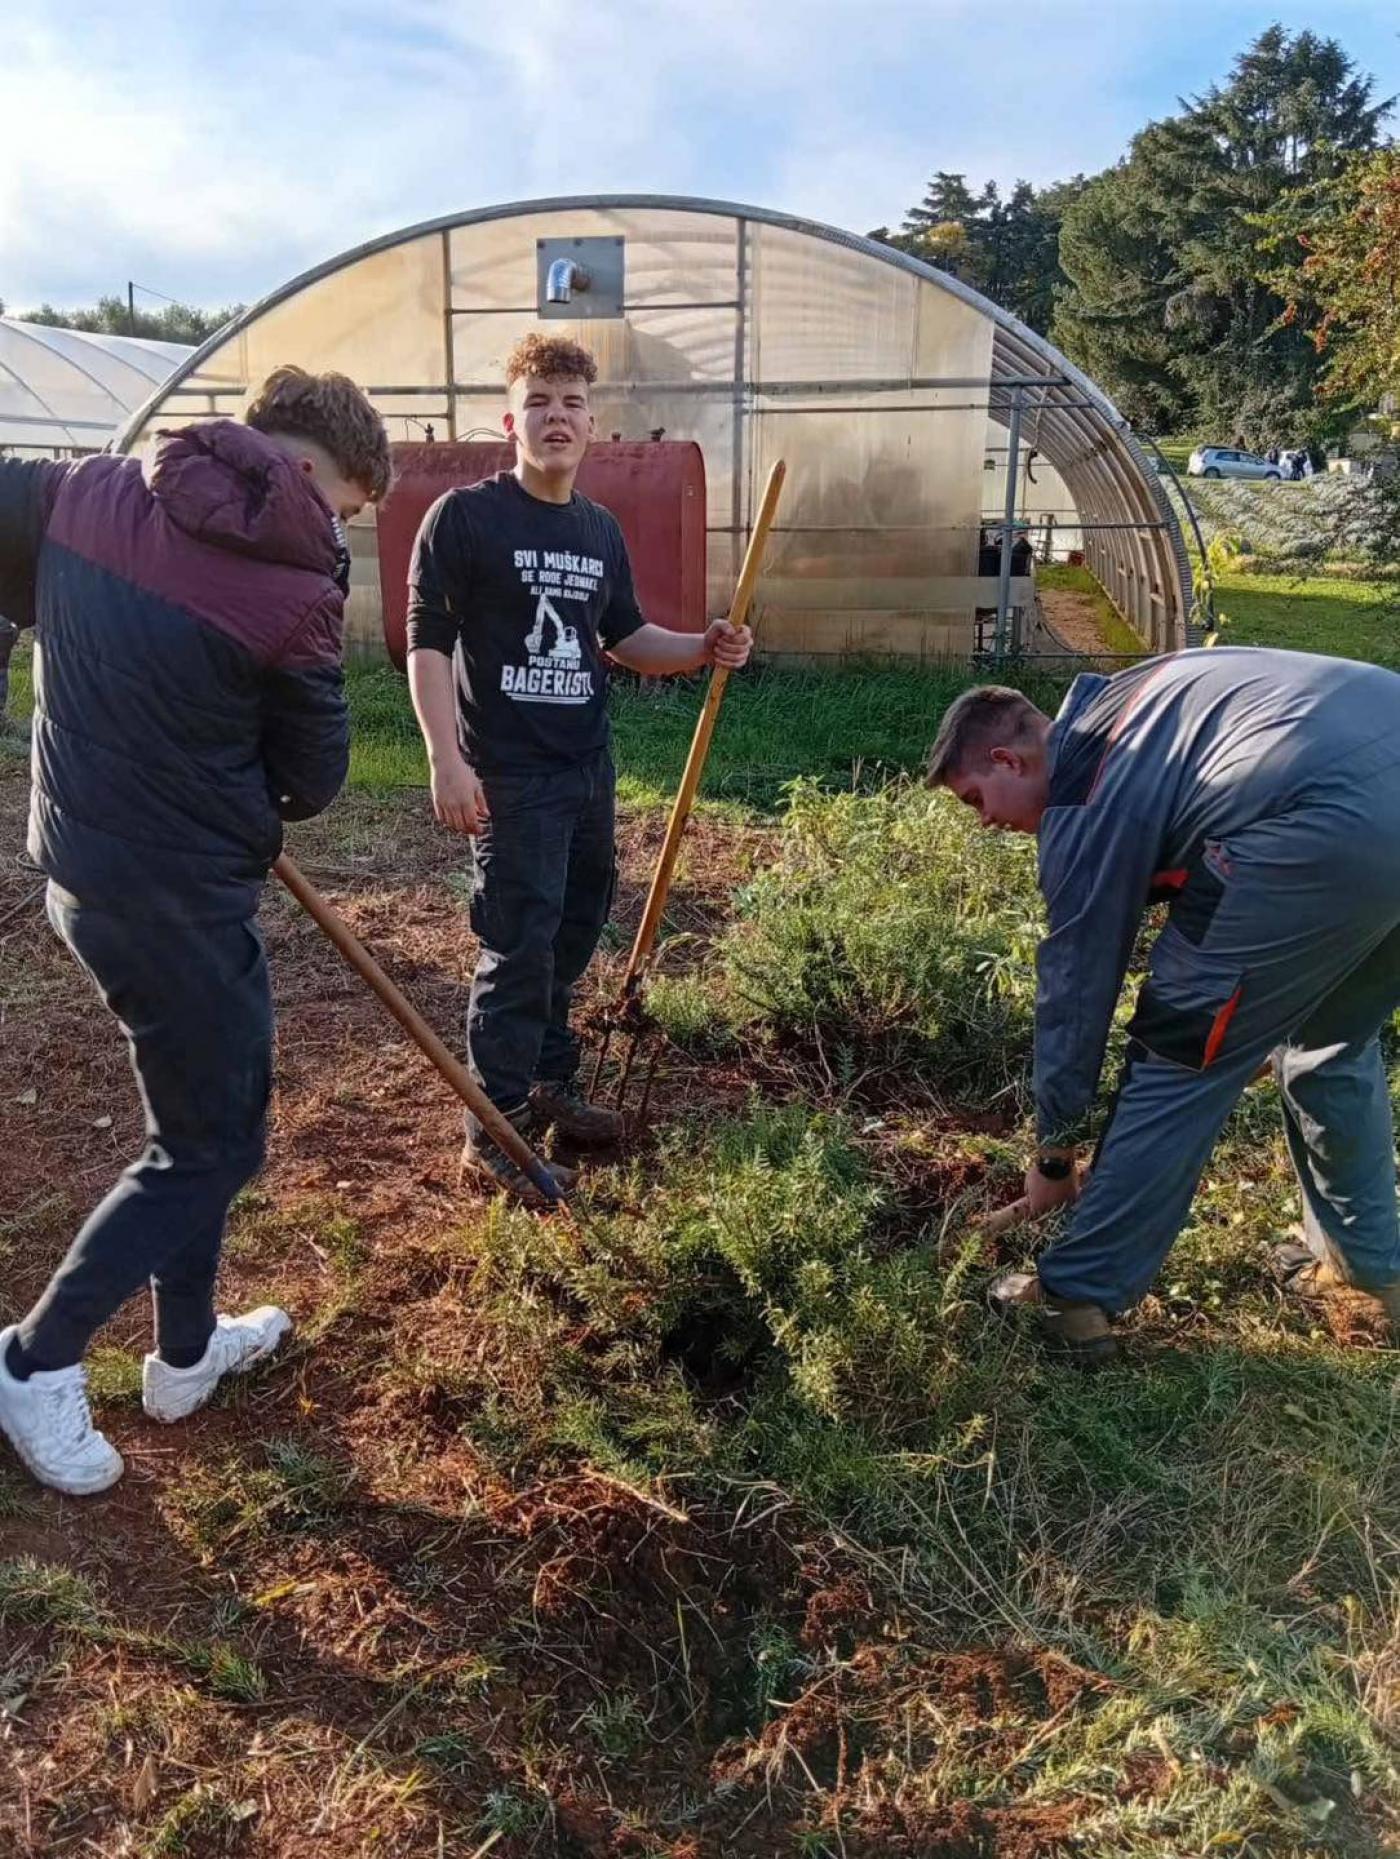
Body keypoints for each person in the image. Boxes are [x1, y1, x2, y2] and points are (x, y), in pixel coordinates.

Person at [0, 367, 392, 1494]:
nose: (338, 532)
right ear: (309, 469)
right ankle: (34, 1359)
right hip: (178, 903)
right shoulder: (296, 588)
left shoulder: (81, 494)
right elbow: (313, 778)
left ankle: (183, 1354)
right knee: (215, 1146)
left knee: (192, 1126)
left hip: (83, 876)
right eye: (346, 508)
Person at [925, 649, 1400, 1363]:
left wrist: (1054, 1157)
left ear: (1008, 760)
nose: (985, 822)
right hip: (1370, 771)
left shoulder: (1086, 791)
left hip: (1324, 822)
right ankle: (1367, 1275)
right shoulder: (1132, 706)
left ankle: (1074, 1296)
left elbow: (1076, 994)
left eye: (975, 800)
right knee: (1330, 1045)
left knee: (1177, 1054)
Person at [406, 333, 752, 1202]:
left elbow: (626, 638)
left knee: (573, 929)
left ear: (593, 423)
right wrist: (445, 757)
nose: (555, 418)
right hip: (508, 773)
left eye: (571, 404)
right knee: (518, 942)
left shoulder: (598, 530)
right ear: (509, 422)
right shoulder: (464, 518)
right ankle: (495, 1136)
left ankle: (548, 1081)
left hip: (587, 767)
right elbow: (428, 642)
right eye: (538, 403)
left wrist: (704, 645)